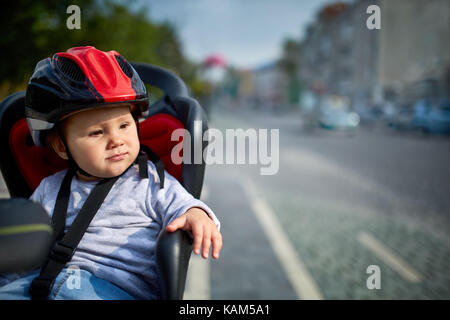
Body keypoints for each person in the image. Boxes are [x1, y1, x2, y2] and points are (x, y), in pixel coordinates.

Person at [0, 46, 222, 300]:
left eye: (125, 125)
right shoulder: (48, 188)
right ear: (62, 146)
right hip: (35, 284)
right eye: (97, 132)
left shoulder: (151, 182)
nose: (117, 140)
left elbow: (184, 205)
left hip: (111, 290)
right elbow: (23, 247)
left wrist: (197, 214)